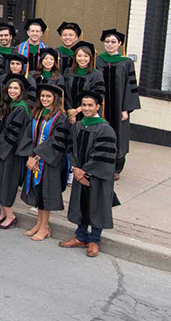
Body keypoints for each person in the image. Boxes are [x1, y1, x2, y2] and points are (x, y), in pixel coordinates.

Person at [61, 91, 117, 258]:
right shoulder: (78, 125)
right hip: (80, 174)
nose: (86, 108)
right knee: (81, 204)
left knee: (96, 205)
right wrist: (76, 169)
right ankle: (80, 236)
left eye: (90, 105)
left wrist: (85, 170)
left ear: (97, 107)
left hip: (97, 175)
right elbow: (70, 148)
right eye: (84, 105)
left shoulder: (105, 129)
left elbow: (103, 155)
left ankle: (94, 240)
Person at [22, 84, 71, 242]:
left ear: (55, 99)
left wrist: (37, 157)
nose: (44, 99)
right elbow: (29, 137)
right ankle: (39, 224)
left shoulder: (61, 117)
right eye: (42, 96)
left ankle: (45, 227)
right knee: (39, 194)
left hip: (49, 162)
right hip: (36, 159)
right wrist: (30, 156)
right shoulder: (38, 113)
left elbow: (57, 142)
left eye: (48, 96)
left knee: (46, 195)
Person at [0, 75, 32, 230]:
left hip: (11, 152)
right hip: (4, 149)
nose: (12, 91)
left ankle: (11, 215)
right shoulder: (11, 105)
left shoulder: (21, 108)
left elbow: (13, 134)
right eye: (10, 88)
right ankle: (3, 213)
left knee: (6, 183)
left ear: (22, 91)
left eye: (16, 88)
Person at [96, 29, 140, 179]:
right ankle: (99, 164)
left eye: (113, 42)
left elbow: (130, 86)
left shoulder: (126, 62)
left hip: (118, 107)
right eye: (107, 41)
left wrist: (126, 109)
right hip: (101, 106)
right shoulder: (98, 60)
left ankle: (116, 167)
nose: (110, 44)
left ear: (120, 44)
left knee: (118, 136)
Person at [61, 42, 105, 124]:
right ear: (75, 57)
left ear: (90, 58)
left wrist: (78, 110)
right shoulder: (68, 72)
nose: (82, 59)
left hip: (88, 113)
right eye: (79, 56)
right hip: (68, 113)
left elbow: (98, 96)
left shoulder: (96, 74)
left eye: (86, 56)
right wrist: (69, 111)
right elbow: (64, 93)